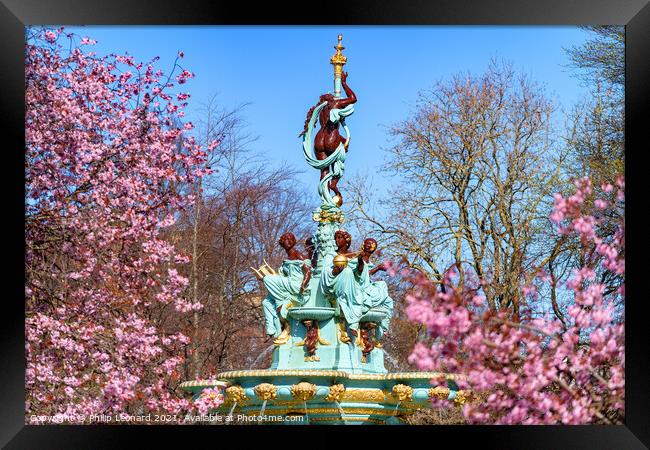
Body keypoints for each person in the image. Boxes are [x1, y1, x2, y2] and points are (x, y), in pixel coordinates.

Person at [261, 233, 311, 343]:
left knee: (267, 279)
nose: (288, 241)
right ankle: (273, 330)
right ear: (282, 243)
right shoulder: (287, 258)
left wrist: (303, 285)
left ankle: (281, 301)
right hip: (288, 284)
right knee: (266, 302)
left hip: (296, 285)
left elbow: (308, 271)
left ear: (294, 242)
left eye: (290, 239)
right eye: (285, 239)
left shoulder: (298, 255)